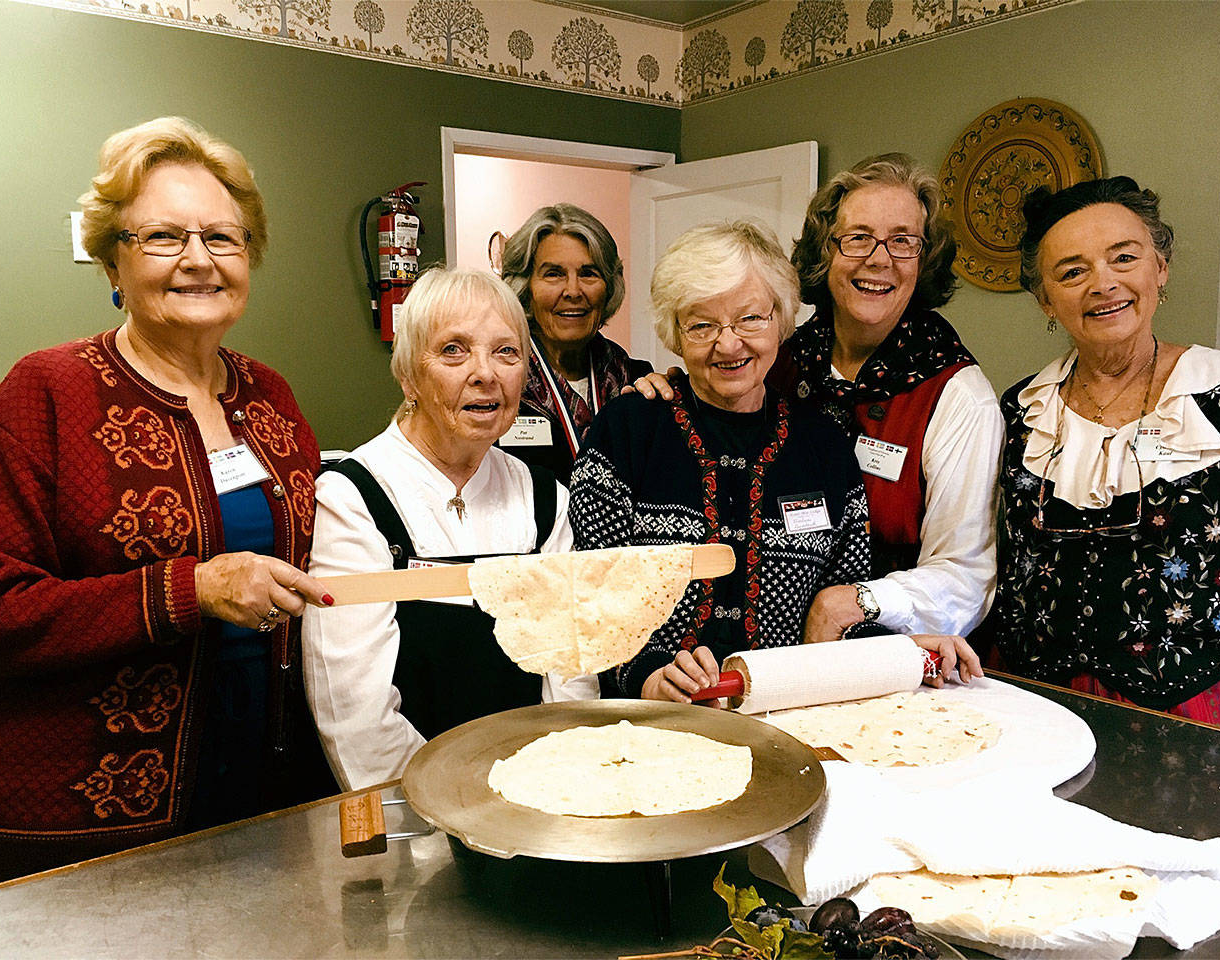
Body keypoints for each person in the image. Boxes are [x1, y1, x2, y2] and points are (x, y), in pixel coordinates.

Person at [0, 117, 335, 888]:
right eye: (163, 237)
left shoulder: (269, 395)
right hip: (84, 828)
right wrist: (186, 589)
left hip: (265, 795)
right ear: (113, 258)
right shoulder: (50, 391)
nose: (199, 261)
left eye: (222, 239)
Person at [570, 221, 982, 703]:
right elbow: (588, 601)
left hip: (786, 722)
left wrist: (903, 654)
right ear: (675, 335)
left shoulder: (825, 445)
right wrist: (647, 675)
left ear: (781, 322)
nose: (728, 344)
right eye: (701, 324)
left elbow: (840, 615)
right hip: (655, 727)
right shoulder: (626, 431)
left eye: (751, 319)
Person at [634, 155, 1003, 646]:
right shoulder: (779, 358)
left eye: (903, 241)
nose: (879, 258)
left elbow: (965, 577)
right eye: (858, 237)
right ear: (824, 252)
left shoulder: (956, 395)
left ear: (925, 258)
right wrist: (675, 393)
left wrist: (852, 603)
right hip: (755, 651)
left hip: (890, 654)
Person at [302, 266, 597, 791]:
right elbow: (355, 711)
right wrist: (448, 807)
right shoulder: (353, 498)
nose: (485, 373)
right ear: (408, 375)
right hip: (414, 807)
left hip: (535, 792)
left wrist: (558, 782)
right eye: (454, 351)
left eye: (505, 352)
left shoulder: (546, 501)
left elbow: (568, 675)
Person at [993, 176, 1220, 728]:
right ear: (1045, 299)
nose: (1103, 284)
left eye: (1123, 258)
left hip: (1187, 708)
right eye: (1073, 272)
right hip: (1027, 702)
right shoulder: (1020, 411)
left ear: (1161, 269)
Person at [499, 203, 652, 483]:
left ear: (609, 287)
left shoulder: (640, 383)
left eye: (589, 273)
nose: (573, 291)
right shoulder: (498, 387)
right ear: (525, 286)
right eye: (554, 273)